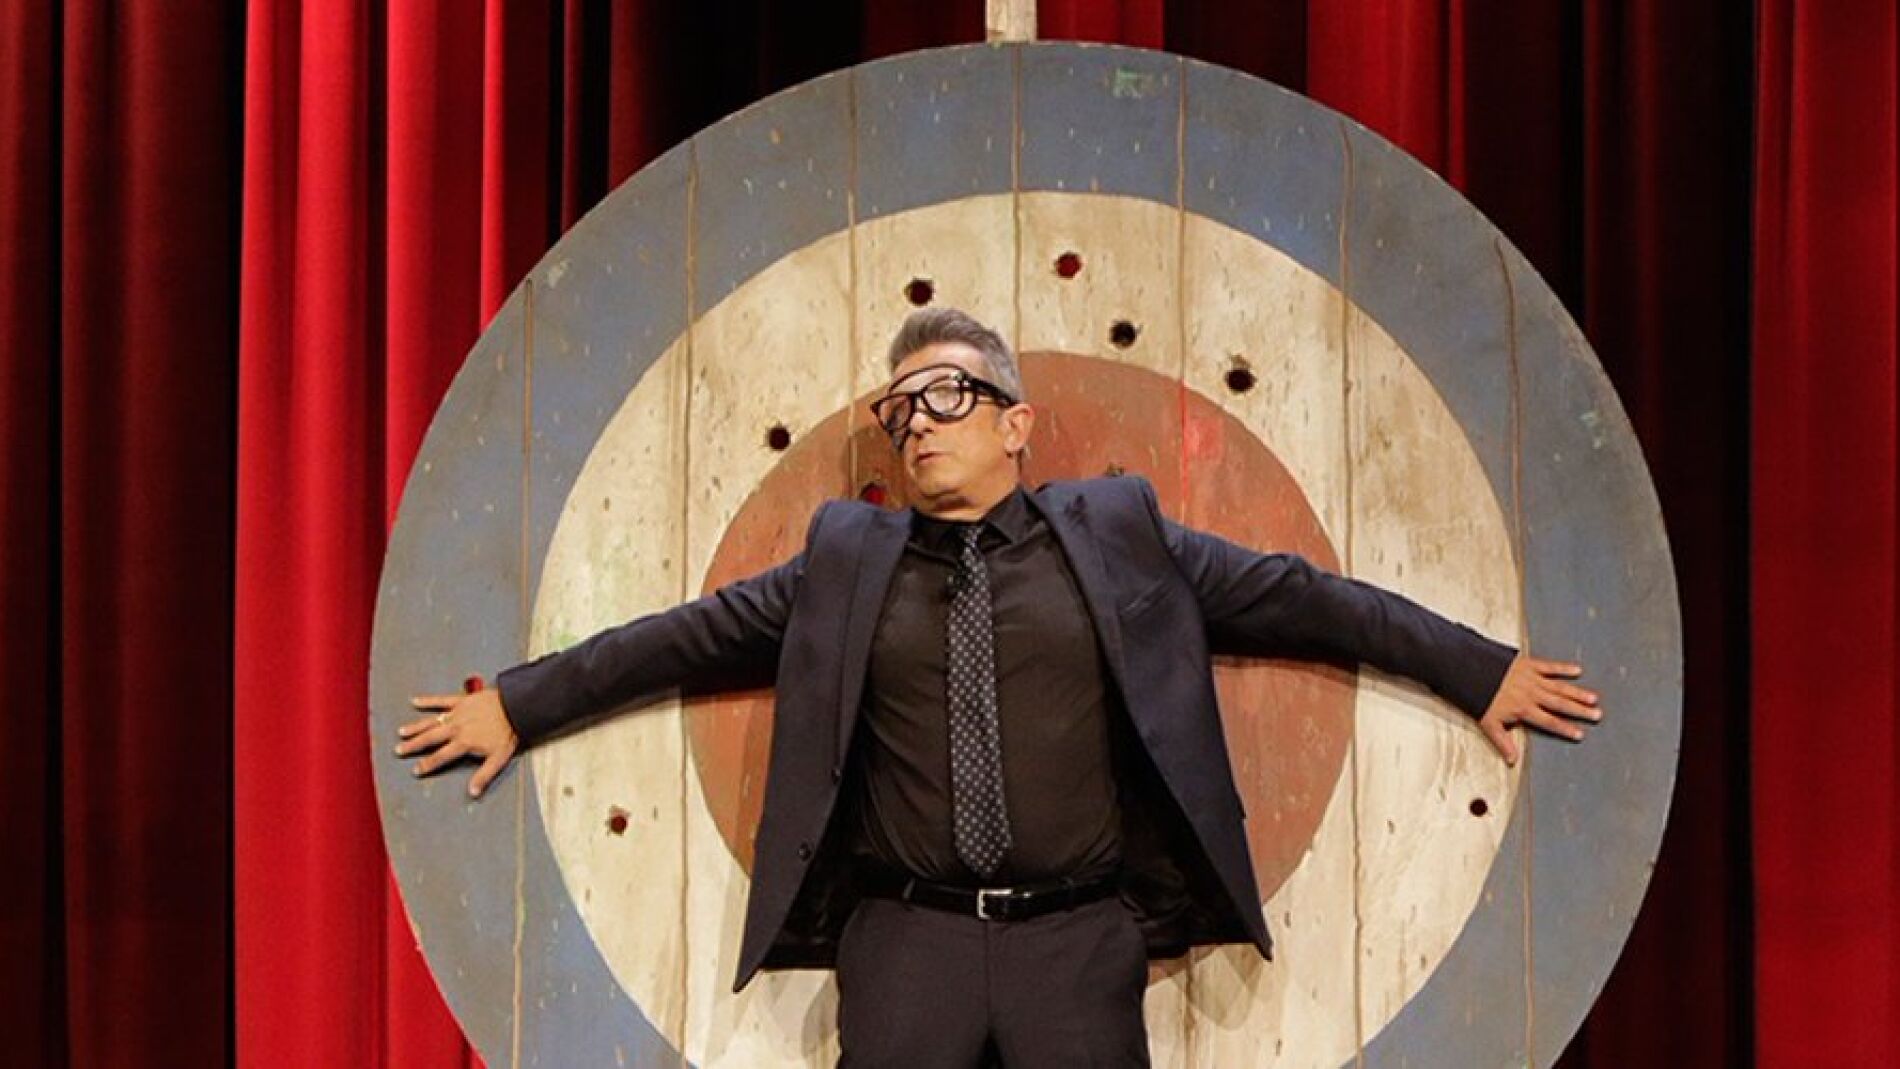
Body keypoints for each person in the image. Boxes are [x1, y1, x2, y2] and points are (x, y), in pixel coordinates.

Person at [396, 307, 1602, 1068]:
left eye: (947, 396)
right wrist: (518, 702)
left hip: (1076, 941)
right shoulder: (845, 558)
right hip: (903, 941)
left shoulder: (1117, 532)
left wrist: (1477, 669)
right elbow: (679, 638)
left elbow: (1304, 598)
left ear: (1016, 423)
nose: (918, 423)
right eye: (898, 409)